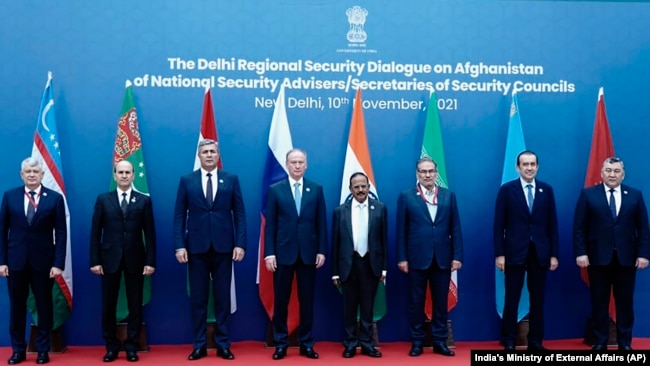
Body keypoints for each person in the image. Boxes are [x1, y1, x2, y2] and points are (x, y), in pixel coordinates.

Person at [173, 139, 246, 361]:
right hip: (196, 248)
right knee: (198, 299)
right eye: (204, 152)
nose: (208, 155)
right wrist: (179, 245)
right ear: (199, 155)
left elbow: (240, 214)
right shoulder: (187, 181)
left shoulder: (231, 179)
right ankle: (199, 345)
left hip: (224, 247)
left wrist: (240, 243)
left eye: (212, 151)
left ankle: (223, 344)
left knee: (223, 298)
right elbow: (178, 215)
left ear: (218, 155)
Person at [573, 157, 650, 351]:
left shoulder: (635, 195)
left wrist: (643, 254)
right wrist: (581, 253)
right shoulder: (588, 195)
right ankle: (600, 342)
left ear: (623, 174)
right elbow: (579, 228)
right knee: (599, 302)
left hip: (626, 259)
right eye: (608, 170)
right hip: (598, 259)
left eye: (616, 171)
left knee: (625, 303)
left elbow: (643, 228)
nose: (612, 174)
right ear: (602, 173)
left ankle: (624, 343)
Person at [0, 157, 67, 365]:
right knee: (17, 308)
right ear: (22, 174)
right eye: (27, 171)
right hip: (15, 262)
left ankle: (42, 351)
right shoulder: (10, 196)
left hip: (44, 263)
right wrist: (2, 261)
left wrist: (58, 263)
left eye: (35, 171)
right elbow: (2, 232)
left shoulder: (54, 198)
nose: (31, 174)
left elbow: (62, 234)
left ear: (42, 174)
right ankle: (18, 350)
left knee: (44, 307)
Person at [89, 160, 156, 362]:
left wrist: (150, 261)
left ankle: (132, 346)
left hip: (136, 259)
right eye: (121, 172)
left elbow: (150, 234)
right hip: (109, 260)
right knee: (108, 305)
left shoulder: (143, 200)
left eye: (128, 172)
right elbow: (95, 233)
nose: (125, 175)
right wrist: (95, 261)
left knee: (135, 305)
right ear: (115, 175)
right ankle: (111, 346)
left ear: (134, 175)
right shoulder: (103, 200)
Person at [396, 157, 462, 357]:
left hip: (442, 258)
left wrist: (457, 256)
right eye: (423, 171)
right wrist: (402, 258)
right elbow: (401, 231)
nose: (427, 175)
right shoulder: (406, 196)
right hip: (416, 258)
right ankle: (417, 342)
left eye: (430, 171)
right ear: (417, 173)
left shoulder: (448, 196)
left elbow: (456, 228)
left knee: (440, 302)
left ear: (436, 173)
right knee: (416, 302)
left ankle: (440, 341)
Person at [264, 149, 327, 360]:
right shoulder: (276, 190)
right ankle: (281, 342)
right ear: (287, 164)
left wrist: (321, 250)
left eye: (301, 162)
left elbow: (321, 223)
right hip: (282, 254)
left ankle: (306, 343)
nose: (297, 166)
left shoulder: (316, 189)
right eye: (293, 162)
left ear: (306, 165)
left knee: (306, 300)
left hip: (309, 254)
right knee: (281, 300)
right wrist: (269, 253)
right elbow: (270, 225)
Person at [493, 150, 559, 350]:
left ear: (537, 167)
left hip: (540, 253)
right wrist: (499, 254)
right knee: (512, 297)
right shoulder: (507, 190)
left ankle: (535, 341)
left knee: (538, 299)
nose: (529, 168)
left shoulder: (546, 190)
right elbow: (498, 225)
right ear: (517, 167)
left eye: (532, 164)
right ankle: (509, 340)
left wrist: (554, 254)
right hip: (514, 252)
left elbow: (552, 225)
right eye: (525, 164)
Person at [331, 172, 387, 358]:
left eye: (363, 186)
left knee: (368, 306)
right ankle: (350, 343)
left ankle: (366, 343)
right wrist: (335, 273)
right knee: (349, 307)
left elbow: (384, 241)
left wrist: (384, 269)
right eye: (356, 187)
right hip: (348, 264)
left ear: (368, 187)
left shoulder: (379, 208)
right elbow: (335, 243)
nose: (360, 189)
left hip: (371, 264)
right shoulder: (340, 211)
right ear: (350, 189)